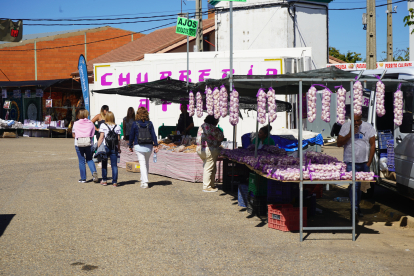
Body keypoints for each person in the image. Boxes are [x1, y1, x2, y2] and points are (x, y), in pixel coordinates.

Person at [337, 114, 376, 219]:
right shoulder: (345, 127)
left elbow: (373, 145)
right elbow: (339, 143)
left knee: (361, 187)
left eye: (358, 120)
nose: (357, 123)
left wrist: (369, 162)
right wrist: (349, 134)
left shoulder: (368, 127)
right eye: (355, 121)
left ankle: (356, 206)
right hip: (350, 161)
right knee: (355, 185)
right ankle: (354, 208)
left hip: (364, 162)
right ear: (350, 119)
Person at [129, 107, 159, 189]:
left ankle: (145, 182)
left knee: (142, 164)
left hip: (138, 146)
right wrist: (156, 145)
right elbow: (153, 135)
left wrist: (130, 145)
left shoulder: (135, 123)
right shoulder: (150, 123)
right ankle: (143, 180)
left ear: (138, 114)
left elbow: (131, 135)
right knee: (146, 163)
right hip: (149, 146)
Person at [196, 115, 224, 192]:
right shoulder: (213, 128)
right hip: (210, 149)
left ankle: (212, 184)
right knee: (208, 168)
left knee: (211, 167)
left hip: (200, 149)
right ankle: (206, 186)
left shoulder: (201, 126)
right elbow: (220, 137)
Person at [72, 109, 99, 183]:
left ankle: (83, 178)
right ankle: (94, 172)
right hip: (89, 143)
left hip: (78, 143)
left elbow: (74, 134)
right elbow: (93, 133)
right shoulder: (90, 123)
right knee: (89, 159)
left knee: (81, 161)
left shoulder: (76, 123)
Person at [97, 111, 121, 187]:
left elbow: (101, 138)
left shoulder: (103, 125)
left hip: (105, 147)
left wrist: (98, 146)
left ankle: (104, 180)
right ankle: (114, 182)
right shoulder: (117, 126)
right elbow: (118, 139)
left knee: (104, 164)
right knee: (114, 165)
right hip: (114, 147)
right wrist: (119, 148)